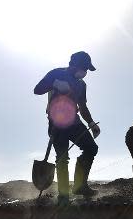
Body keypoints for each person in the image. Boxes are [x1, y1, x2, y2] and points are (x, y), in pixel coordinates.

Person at [33, 51, 100, 205]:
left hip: (74, 122)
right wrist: (54, 83)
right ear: (75, 64)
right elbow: (37, 90)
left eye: (87, 70)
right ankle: (63, 196)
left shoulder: (82, 85)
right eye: (84, 68)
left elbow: (82, 106)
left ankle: (79, 186)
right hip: (57, 122)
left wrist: (91, 123)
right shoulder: (56, 73)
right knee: (62, 158)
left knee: (91, 148)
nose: (85, 73)